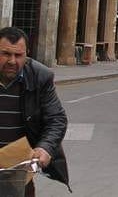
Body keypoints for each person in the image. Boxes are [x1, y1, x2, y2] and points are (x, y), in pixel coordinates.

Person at [0, 27, 70, 195]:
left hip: (17, 169)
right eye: (5, 54)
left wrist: (45, 148)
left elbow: (56, 119)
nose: (11, 61)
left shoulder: (40, 77)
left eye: (18, 55)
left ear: (26, 54)